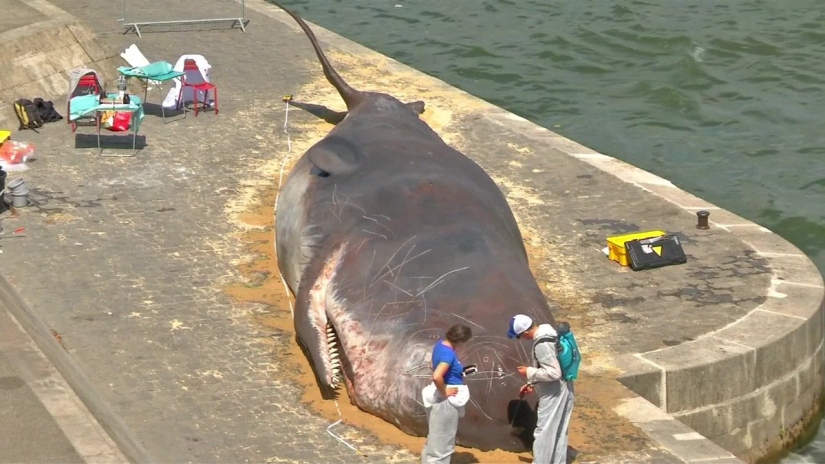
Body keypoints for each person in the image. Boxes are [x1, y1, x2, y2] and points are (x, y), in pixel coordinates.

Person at [508, 314, 574, 464]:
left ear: (525, 332)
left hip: (555, 392)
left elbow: (553, 373)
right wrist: (532, 382)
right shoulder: (548, 331)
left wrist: (528, 372)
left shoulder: (542, 344)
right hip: (565, 386)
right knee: (559, 430)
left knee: (544, 432)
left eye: (519, 336)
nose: (520, 339)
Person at [421, 324, 473, 464]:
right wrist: (445, 391)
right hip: (446, 402)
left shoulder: (440, 345)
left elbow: (432, 366)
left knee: (434, 439)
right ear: (461, 341)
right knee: (443, 443)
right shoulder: (449, 355)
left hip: (437, 395)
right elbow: (437, 375)